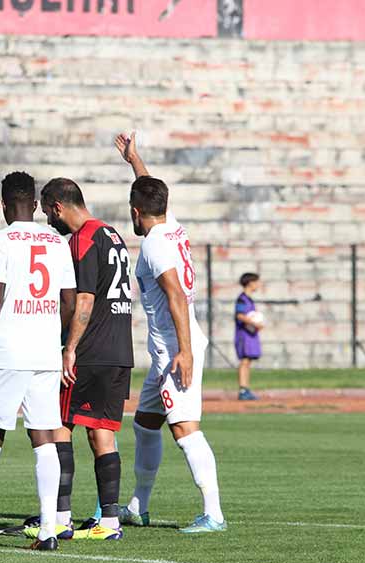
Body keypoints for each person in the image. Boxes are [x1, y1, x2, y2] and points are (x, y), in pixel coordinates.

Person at [0, 172, 76, 551]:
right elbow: (70, 301)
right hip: (44, 353)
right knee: (44, 440)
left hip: (8, 351)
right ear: (36, 205)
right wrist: (55, 339)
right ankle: (49, 532)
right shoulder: (56, 240)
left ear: (4, 205)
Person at [115, 133, 226, 533]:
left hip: (177, 347)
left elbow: (176, 295)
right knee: (145, 422)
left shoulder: (155, 246)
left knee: (184, 428)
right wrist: (135, 161)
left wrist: (184, 352)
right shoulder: (170, 227)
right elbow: (150, 192)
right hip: (172, 346)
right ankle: (137, 505)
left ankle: (213, 513)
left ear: (135, 211)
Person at [33, 177, 134, 541]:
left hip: (90, 351)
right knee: (102, 433)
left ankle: (60, 516)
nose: (49, 221)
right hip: (120, 349)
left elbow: (85, 299)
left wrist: (69, 348)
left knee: (60, 425)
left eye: (48, 213)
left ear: (58, 207)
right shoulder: (112, 234)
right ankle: (109, 522)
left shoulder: (83, 238)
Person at [235, 273, 264, 401]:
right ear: (250, 282)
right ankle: (242, 389)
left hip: (250, 334)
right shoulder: (242, 299)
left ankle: (246, 388)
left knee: (248, 361)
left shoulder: (249, 299)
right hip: (243, 334)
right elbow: (239, 315)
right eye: (256, 282)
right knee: (244, 361)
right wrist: (254, 323)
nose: (258, 284)